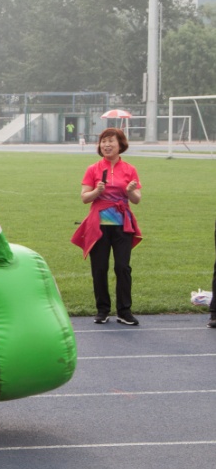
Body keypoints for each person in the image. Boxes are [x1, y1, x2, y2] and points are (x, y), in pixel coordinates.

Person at [72, 128, 142, 325]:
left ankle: (124, 311)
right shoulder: (93, 169)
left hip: (122, 226)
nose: (106, 145)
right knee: (99, 268)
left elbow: (137, 199)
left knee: (122, 267)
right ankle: (102, 310)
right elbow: (85, 198)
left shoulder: (129, 169)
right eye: (103, 141)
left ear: (120, 145)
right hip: (99, 226)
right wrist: (97, 191)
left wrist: (130, 191)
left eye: (111, 141)